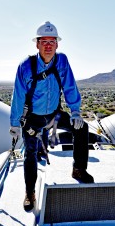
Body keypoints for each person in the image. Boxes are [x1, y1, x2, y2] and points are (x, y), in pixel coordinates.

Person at [9, 21, 94, 212]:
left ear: (57, 44)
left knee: (82, 128)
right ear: (37, 44)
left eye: (52, 41)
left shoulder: (62, 61)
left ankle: (79, 168)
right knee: (30, 153)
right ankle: (30, 193)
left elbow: (70, 86)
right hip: (33, 118)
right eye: (44, 41)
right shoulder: (26, 66)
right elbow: (18, 95)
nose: (48, 45)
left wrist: (76, 112)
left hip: (54, 115)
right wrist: (15, 123)